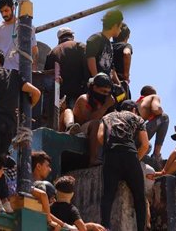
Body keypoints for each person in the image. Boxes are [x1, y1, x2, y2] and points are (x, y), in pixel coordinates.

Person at [97, 100, 149, 231]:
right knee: (139, 196)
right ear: (134, 110)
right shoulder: (137, 118)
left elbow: (100, 136)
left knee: (108, 194)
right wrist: (135, 159)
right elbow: (145, 145)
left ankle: (105, 226)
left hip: (111, 155)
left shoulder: (107, 117)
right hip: (130, 155)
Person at [0, 48, 41, 155]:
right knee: (3, 157)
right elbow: (36, 92)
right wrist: (27, 110)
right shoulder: (15, 75)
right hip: (10, 124)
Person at [0, 0, 38, 71]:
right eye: (1, 12)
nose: (4, 14)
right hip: (1, 75)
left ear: (13, 8)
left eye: (6, 10)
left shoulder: (25, 27)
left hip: (20, 74)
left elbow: (34, 50)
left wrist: (33, 73)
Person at [72, 73, 116, 166]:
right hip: (79, 131)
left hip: (96, 134)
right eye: (102, 91)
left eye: (107, 93)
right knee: (96, 123)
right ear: (94, 87)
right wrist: (106, 106)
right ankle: (93, 158)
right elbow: (90, 119)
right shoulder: (84, 99)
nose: (105, 95)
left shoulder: (102, 101)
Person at [85, 9, 124, 80]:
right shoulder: (96, 38)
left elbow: (111, 68)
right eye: (120, 27)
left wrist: (119, 86)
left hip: (106, 85)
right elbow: (90, 58)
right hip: (96, 86)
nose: (120, 30)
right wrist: (96, 79)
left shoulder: (110, 44)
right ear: (115, 26)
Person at [136, 85, 169, 165]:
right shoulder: (153, 97)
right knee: (164, 117)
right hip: (136, 136)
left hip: (131, 137)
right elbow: (157, 110)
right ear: (151, 93)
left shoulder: (137, 103)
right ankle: (156, 155)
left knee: (148, 146)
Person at [112, 23, 133, 98]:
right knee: (123, 103)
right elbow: (127, 53)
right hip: (120, 81)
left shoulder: (108, 45)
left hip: (108, 80)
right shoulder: (126, 46)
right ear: (127, 36)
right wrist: (126, 75)